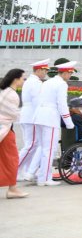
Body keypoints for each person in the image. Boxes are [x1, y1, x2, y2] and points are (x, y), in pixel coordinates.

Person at [29, 60, 77, 186]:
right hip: (49, 118)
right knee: (49, 149)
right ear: (65, 73)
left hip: (39, 116)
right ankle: (44, 179)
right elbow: (62, 105)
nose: (70, 76)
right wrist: (69, 123)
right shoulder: (61, 84)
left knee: (43, 148)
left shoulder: (48, 81)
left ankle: (35, 174)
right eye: (70, 73)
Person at [16, 58, 49, 183]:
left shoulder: (30, 81)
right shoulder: (36, 83)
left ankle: (22, 171)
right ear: (39, 70)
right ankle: (15, 170)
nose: (45, 73)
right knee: (31, 145)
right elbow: (37, 101)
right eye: (45, 70)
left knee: (31, 145)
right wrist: (40, 116)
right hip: (32, 116)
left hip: (27, 115)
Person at [1, 68, 28, 198]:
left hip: (5, 129)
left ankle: (13, 188)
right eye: (23, 78)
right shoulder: (11, 94)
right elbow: (15, 115)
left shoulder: (7, 92)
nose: (24, 81)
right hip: (5, 130)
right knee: (12, 159)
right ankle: (12, 189)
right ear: (16, 79)